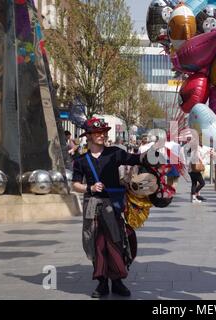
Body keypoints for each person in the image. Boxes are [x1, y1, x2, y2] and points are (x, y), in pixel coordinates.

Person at [72, 117, 151, 299]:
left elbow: (135, 159)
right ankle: (101, 283)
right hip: (92, 204)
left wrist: (152, 155)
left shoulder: (114, 153)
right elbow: (75, 184)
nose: (102, 135)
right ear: (88, 136)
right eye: (97, 132)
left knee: (115, 240)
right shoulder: (81, 160)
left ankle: (117, 282)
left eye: (104, 132)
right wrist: (89, 188)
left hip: (112, 204)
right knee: (95, 242)